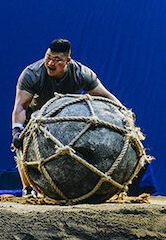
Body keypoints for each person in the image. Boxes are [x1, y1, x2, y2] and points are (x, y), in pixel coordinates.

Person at [11, 38, 122, 194]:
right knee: (21, 143)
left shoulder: (81, 73)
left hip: (66, 121)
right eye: (48, 57)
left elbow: (105, 95)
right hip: (35, 119)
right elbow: (20, 106)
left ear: (68, 60)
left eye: (57, 60)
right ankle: (28, 188)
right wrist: (17, 130)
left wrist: (123, 113)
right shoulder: (31, 74)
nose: (50, 63)